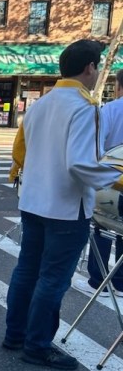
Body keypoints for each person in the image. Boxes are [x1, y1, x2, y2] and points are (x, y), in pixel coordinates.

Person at [5, 40, 123, 370]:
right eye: (98, 66)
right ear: (89, 68)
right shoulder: (85, 107)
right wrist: (116, 177)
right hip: (66, 206)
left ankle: (15, 334)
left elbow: (25, 150)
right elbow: (82, 164)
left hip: (33, 201)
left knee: (27, 270)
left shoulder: (41, 104)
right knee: (53, 278)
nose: (98, 72)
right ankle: (38, 344)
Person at [74, 69, 123, 298]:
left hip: (111, 179)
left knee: (103, 226)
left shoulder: (110, 110)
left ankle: (98, 280)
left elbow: (97, 145)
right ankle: (121, 283)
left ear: (118, 86)